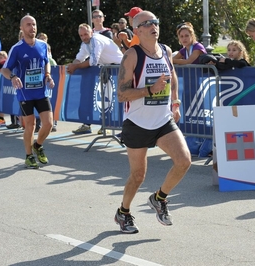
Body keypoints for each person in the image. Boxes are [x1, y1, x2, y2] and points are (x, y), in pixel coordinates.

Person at [114, 11, 191, 234]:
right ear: (137, 31)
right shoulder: (132, 55)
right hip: (137, 123)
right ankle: (124, 212)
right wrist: (150, 90)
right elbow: (121, 94)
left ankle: (159, 198)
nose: (153, 26)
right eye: (146, 24)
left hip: (162, 121)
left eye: (155, 22)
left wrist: (175, 102)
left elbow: (172, 76)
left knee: (184, 161)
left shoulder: (166, 51)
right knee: (138, 176)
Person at [1, 15, 55, 169]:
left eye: (34, 24)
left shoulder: (43, 45)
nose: (32, 28)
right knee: (30, 125)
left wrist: (48, 75)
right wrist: (13, 76)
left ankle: (38, 145)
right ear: (22, 28)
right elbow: (5, 69)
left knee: (49, 123)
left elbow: (47, 63)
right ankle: (29, 155)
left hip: (41, 92)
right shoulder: (17, 48)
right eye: (28, 25)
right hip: (25, 92)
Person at [67, 23, 122, 135]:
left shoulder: (96, 40)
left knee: (117, 99)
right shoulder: (85, 44)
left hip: (119, 69)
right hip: (107, 69)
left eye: (86, 34)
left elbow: (93, 61)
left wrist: (75, 67)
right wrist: (72, 66)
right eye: (81, 35)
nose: (84, 37)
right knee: (105, 99)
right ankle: (102, 124)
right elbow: (79, 58)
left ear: (91, 32)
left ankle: (122, 127)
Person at [35, 32, 58, 132]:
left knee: (51, 104)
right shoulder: (35, 49)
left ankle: (53, 123)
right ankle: (37, 124)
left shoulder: (48, 54)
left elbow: (52, 65)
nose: (43, 40)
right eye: (41, 38)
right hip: (37, 85)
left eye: (45, 38)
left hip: (48, 85)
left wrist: (48, 75)